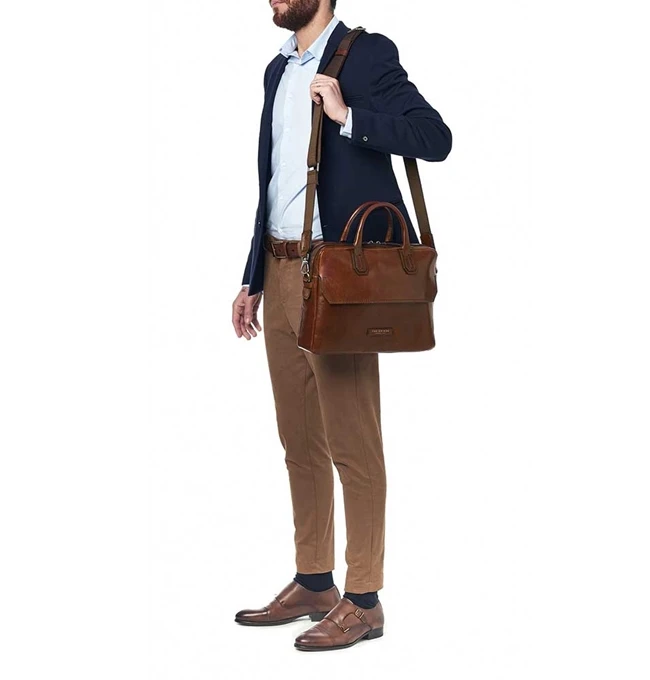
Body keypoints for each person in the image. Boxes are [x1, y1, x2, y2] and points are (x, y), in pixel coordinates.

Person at [231, 0, 451, 651]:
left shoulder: (366, 54)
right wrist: (251, 277)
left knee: (353, 442)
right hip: (280, 270)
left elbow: (435, 138)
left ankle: (365, 599)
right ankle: (314, 580)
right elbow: (273, 182)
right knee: (299, 440)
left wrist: (349, 116)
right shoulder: (277, 70)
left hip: (338, 278)